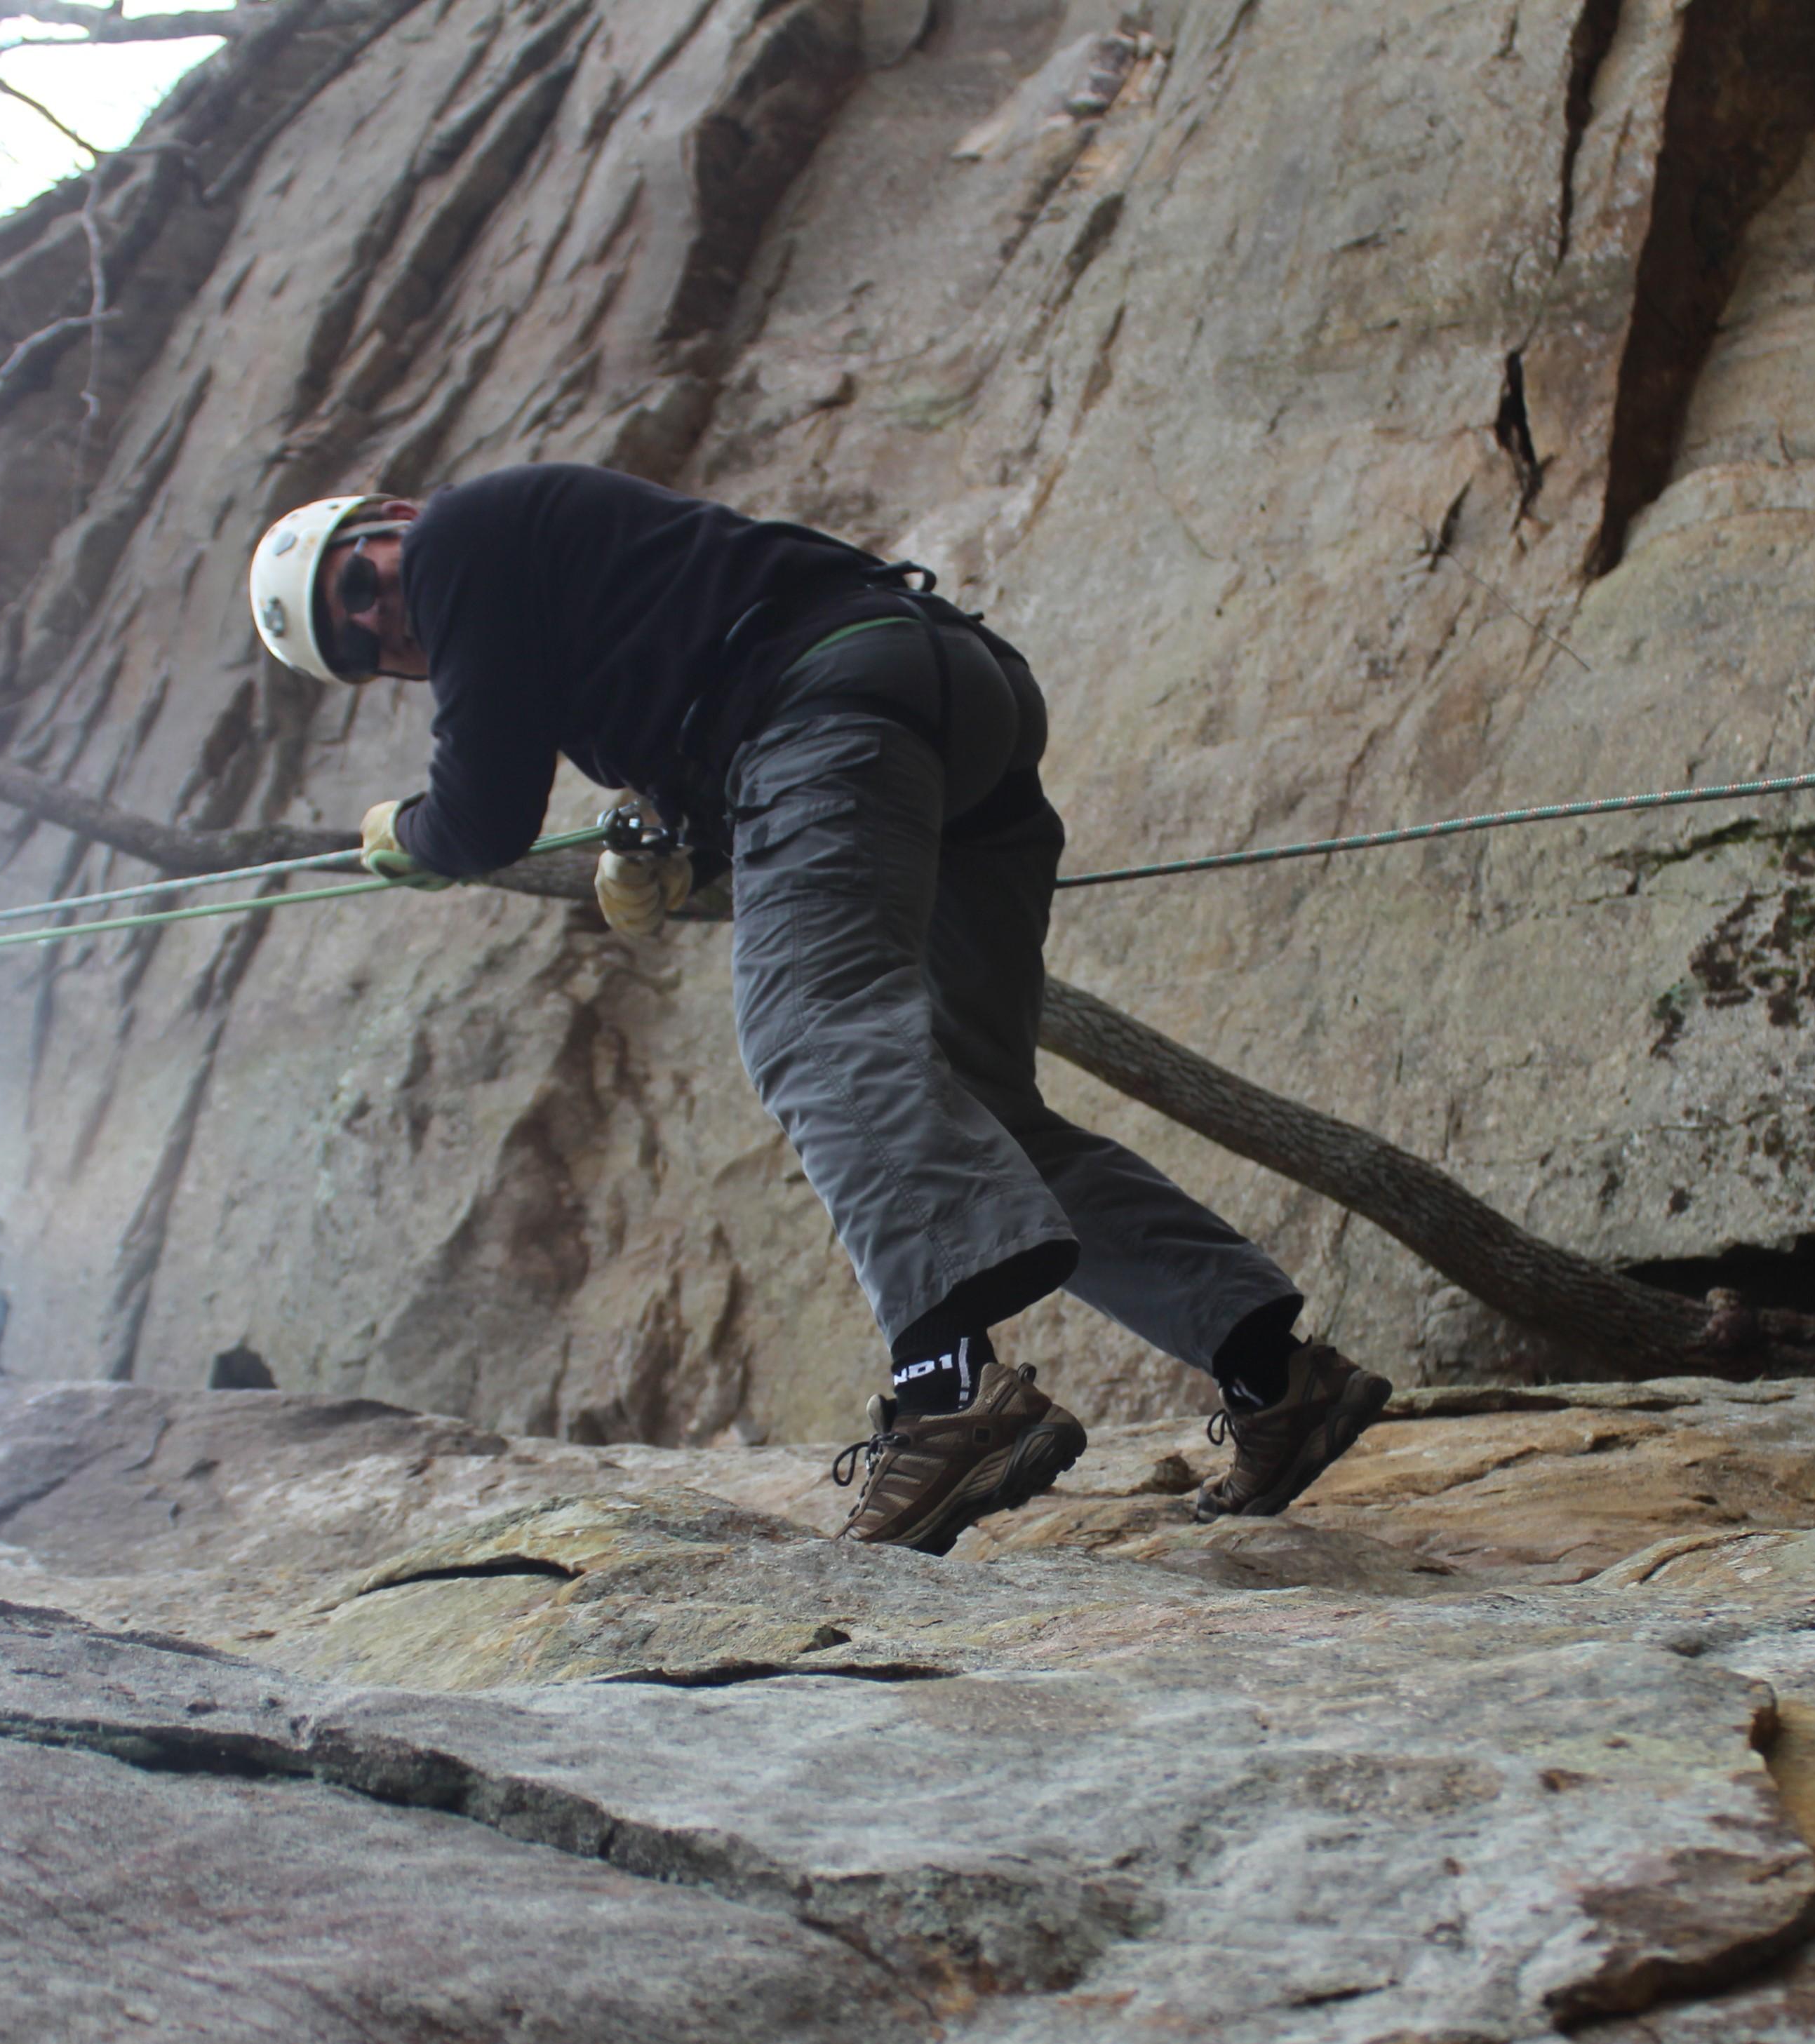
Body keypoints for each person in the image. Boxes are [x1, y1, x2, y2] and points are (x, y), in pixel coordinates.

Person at [248, 464, 1390, 1552]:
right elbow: (689, 676)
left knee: (811, 1027)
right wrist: (684, 841)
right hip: (944, 700)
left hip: (829, 706)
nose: (387, 625)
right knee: (975, 1104)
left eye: (364, 586)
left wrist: (412, 833)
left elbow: (483, 807)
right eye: (367, 652)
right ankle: (1274, 1374)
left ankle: (948, 1393)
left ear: (389, 519)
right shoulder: (567, 577)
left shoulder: (456, 536)